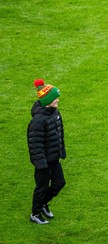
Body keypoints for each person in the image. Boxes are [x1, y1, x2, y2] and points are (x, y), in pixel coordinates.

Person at [27, 79, 66, 224]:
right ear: (48, 101)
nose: (58, 99)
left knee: (59, 183)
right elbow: (35, 144)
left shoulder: (55, 113)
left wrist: (61, 151)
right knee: (41, 188)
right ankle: (35, 213)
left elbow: (59, 134)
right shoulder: (38, 121)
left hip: (54, 159)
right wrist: (40, 163)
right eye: (55, 97)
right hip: (43, 162)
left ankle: (43, 204)